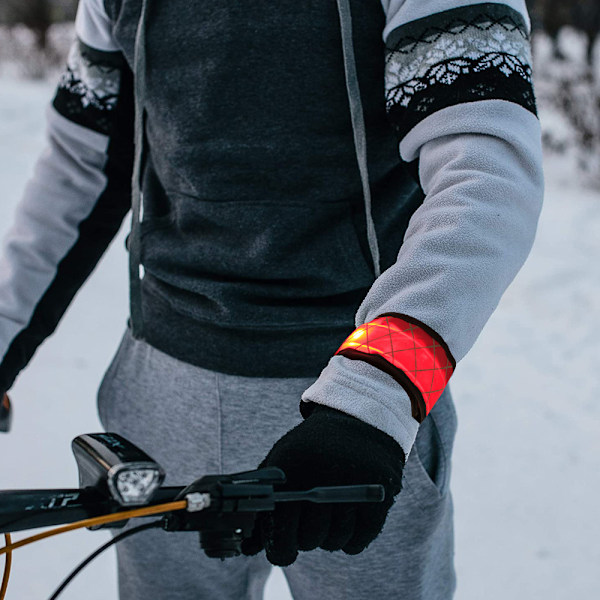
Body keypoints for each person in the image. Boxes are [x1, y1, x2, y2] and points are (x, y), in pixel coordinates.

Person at [0, 0, 544, 598]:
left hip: (349, 413)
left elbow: (486, 174)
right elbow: (82, 164)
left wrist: (371, 398)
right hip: (161, 390)